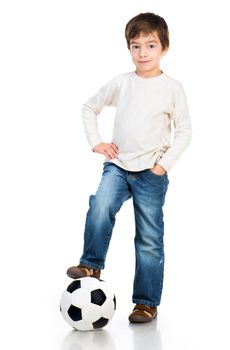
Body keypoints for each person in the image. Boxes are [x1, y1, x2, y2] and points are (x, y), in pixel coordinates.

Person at [67, 12, 192, 323]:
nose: (142, 53)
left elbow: (185, 131)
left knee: (148, 237)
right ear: (129, 49)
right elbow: (89, 106)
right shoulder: (122, 83)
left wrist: (163, 166)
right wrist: (97, 141)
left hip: (151, 172)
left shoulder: (172, 88)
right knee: (100, 204)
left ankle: (146, 302)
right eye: (135, 46)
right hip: (119, 166)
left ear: (164, 48)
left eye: (150, 46)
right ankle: (92, 263)